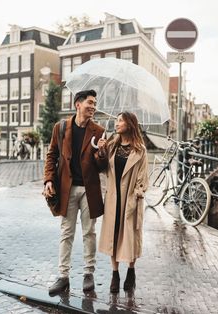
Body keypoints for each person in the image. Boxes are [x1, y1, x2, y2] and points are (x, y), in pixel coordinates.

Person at [43, 89, 108, 296]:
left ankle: (89, 274)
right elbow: (51, 156)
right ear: (77, 104)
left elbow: (102, 166)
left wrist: (101, 153)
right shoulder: (60, 127)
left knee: (89, 232)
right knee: (66, 232)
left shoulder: (99, 130)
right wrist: (48, 180)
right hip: (67, 189)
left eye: (95, 103)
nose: (93, 106)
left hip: (89, 190)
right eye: (90, 102)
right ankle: (63, 277)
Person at [97, 111, 148, 293]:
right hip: (113, 198)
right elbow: (101, 168)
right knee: (113, 235)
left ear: (130, 124)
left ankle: (131, 271)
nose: (117, 124)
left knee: (130, 237)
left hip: (130, 200)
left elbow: (143, 179)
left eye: (120, 121)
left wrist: (136, 194)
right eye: (117, 120)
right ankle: (115, 274)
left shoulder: (140, 150)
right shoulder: (111, 145)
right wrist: (101, 151)